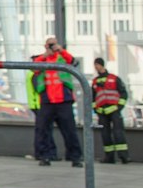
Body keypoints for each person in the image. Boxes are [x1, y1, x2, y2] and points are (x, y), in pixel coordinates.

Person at [32, 34, 84, 167]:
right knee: (43, 130)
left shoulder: (62, 57)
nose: (52, 47)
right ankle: (46, 156)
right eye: (50, 45)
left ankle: (75, 157)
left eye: (54, 44)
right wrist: (45, 54)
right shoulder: (42, 60)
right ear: (45, 46)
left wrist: (61, 50)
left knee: (69, 130)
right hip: (47, 100)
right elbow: (34, 68)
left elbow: (73, 61)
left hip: (63, 100)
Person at [92, 57, 131, 164]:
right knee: (105, 134)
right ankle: (109, 157)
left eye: (97, 64)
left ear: (101, 65)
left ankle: (124, 157)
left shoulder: (114, 78)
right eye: (95, 65)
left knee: (118, 133)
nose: (96, 67)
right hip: (102, 112)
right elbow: (93, 97)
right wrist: (95, 109)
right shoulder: (95, 81)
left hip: (114, 110)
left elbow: (123, 93)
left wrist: (119, 107)